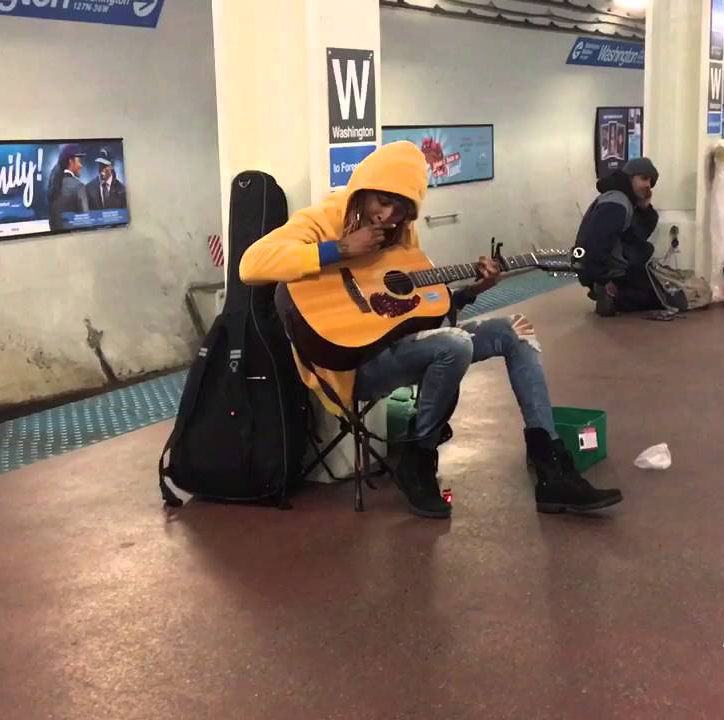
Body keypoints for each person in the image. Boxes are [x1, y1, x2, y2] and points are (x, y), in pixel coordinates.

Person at [239, 141, 623, 519]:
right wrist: (337, 250)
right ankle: (418, 459)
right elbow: (250, 264)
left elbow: (421, 312)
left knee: (515, 330)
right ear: (363, 191)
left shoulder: (401, 235)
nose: (386, 216)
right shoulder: (324, 219)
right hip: (347, 365)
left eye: (400, 209)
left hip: (401, 346)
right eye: (381, 201)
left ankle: (551, 464)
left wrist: (474, 290)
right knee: (453, 345)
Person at [571, 158, 660, 317]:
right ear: (630, 177)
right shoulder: (616, 202)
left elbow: (638, 236)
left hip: (606, 266)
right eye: (644, 178)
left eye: (651, 182)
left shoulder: (624, 201)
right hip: (601, 270)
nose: (648, 185)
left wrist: (645, 208)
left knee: (646, 255)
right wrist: (603, 279)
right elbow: (596, 241)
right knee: (658, 297)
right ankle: (610, 294)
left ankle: (610, 291)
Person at [48, 144, 89, 231]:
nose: (81, 165)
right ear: (71, 161)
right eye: (79, 161)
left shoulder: (53, 185)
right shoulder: (79, 187)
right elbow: (86, 221)